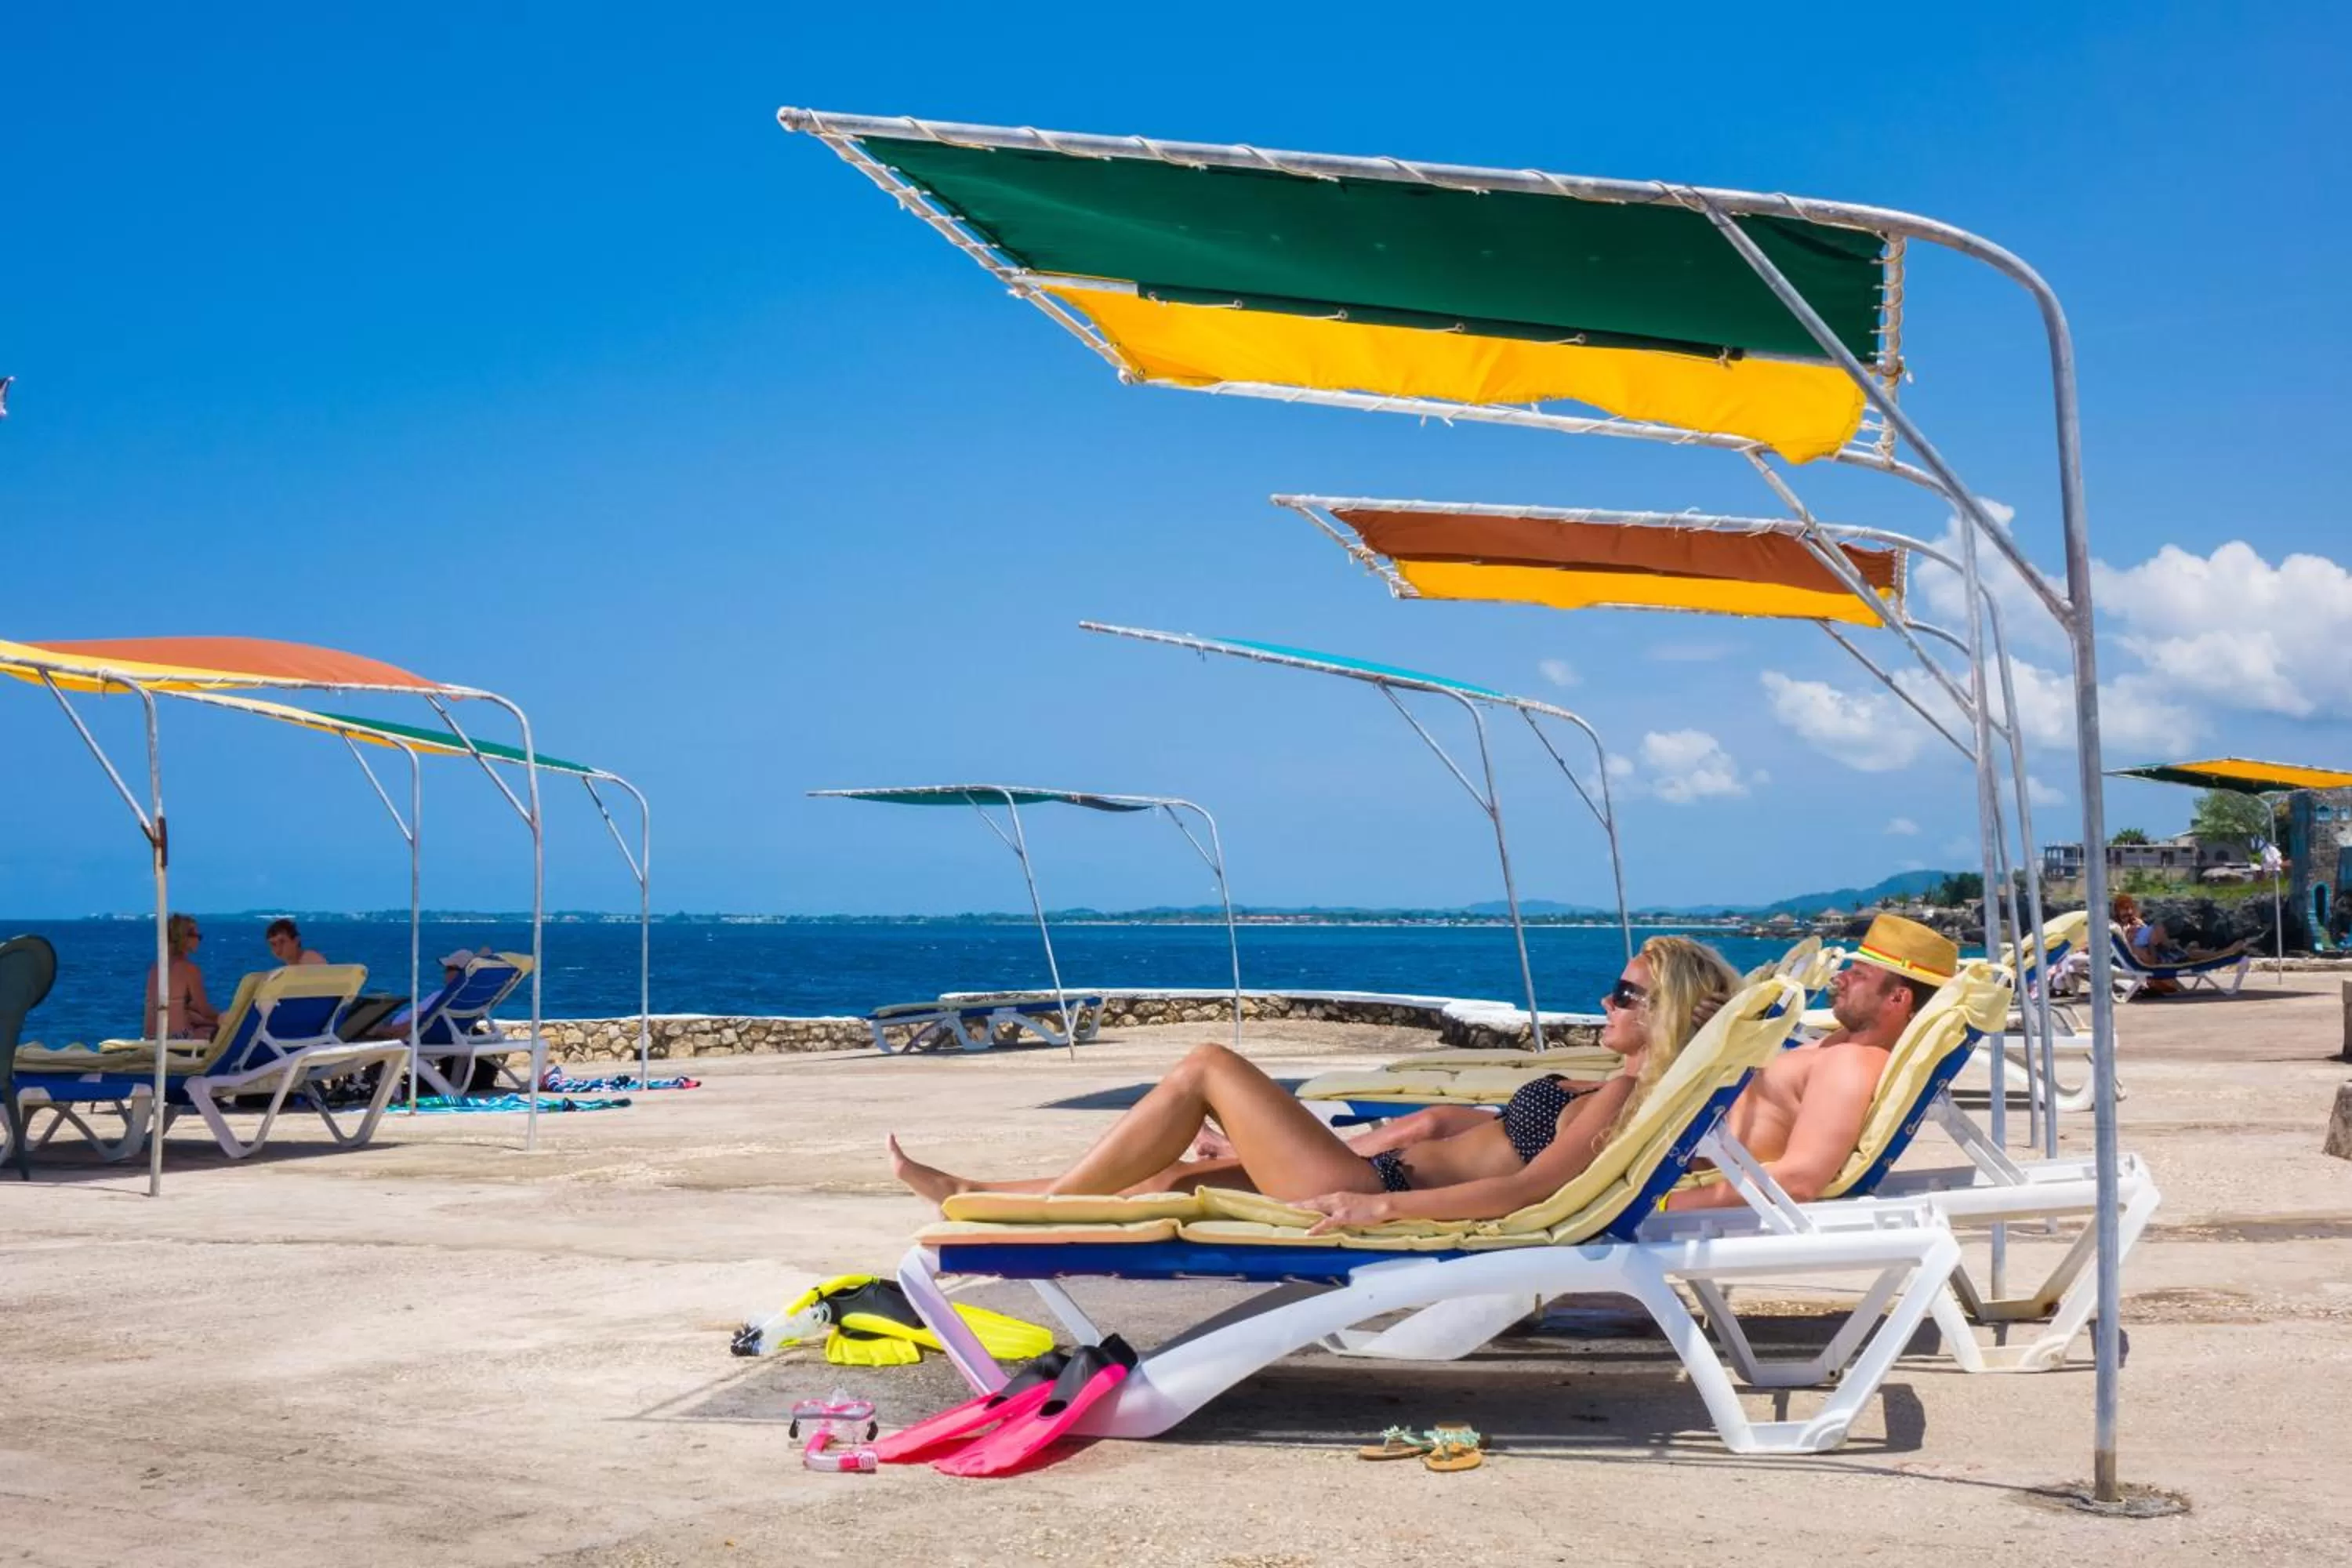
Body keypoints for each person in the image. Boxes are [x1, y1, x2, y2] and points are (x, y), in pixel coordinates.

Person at [887, 935, 1743, 1234]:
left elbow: (1524, 1191)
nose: (1606, 997)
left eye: (1627, 993)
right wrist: (1354, 1145)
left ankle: (1036, 1211)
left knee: (1208, 1065)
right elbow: (1453, 1121)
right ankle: (980, 1192)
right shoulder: (1604, 1081)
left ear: (1665, 1012)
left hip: (1372, 1193)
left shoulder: (1625, 1100)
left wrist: (1384, 1206)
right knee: (1168, 1179)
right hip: (1367, 1169)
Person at [1664, 912, 1953, 1210]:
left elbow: (1800, 1180)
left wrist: (1666, 1205)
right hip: (1672, 1158)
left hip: (1679, 1182)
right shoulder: (1841, 1044)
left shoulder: (1850, 1064)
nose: (1840, 979)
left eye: (1859, 975)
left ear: (1898, 998)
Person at [145, 913, 220, 1040]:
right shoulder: (189, 969)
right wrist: (226, 1018)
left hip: (152, 1037)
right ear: (186, 938)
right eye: (198, 936)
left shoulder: (156, 968)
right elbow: (205, 1011)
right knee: (224, 1029)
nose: (199, 940)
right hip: (177, 1038)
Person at [264, 917, 328, 967]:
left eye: (282, 942)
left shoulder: (312, 961)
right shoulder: (294, 965)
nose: (278, 949)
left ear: (296, 941)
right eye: (273, 944)